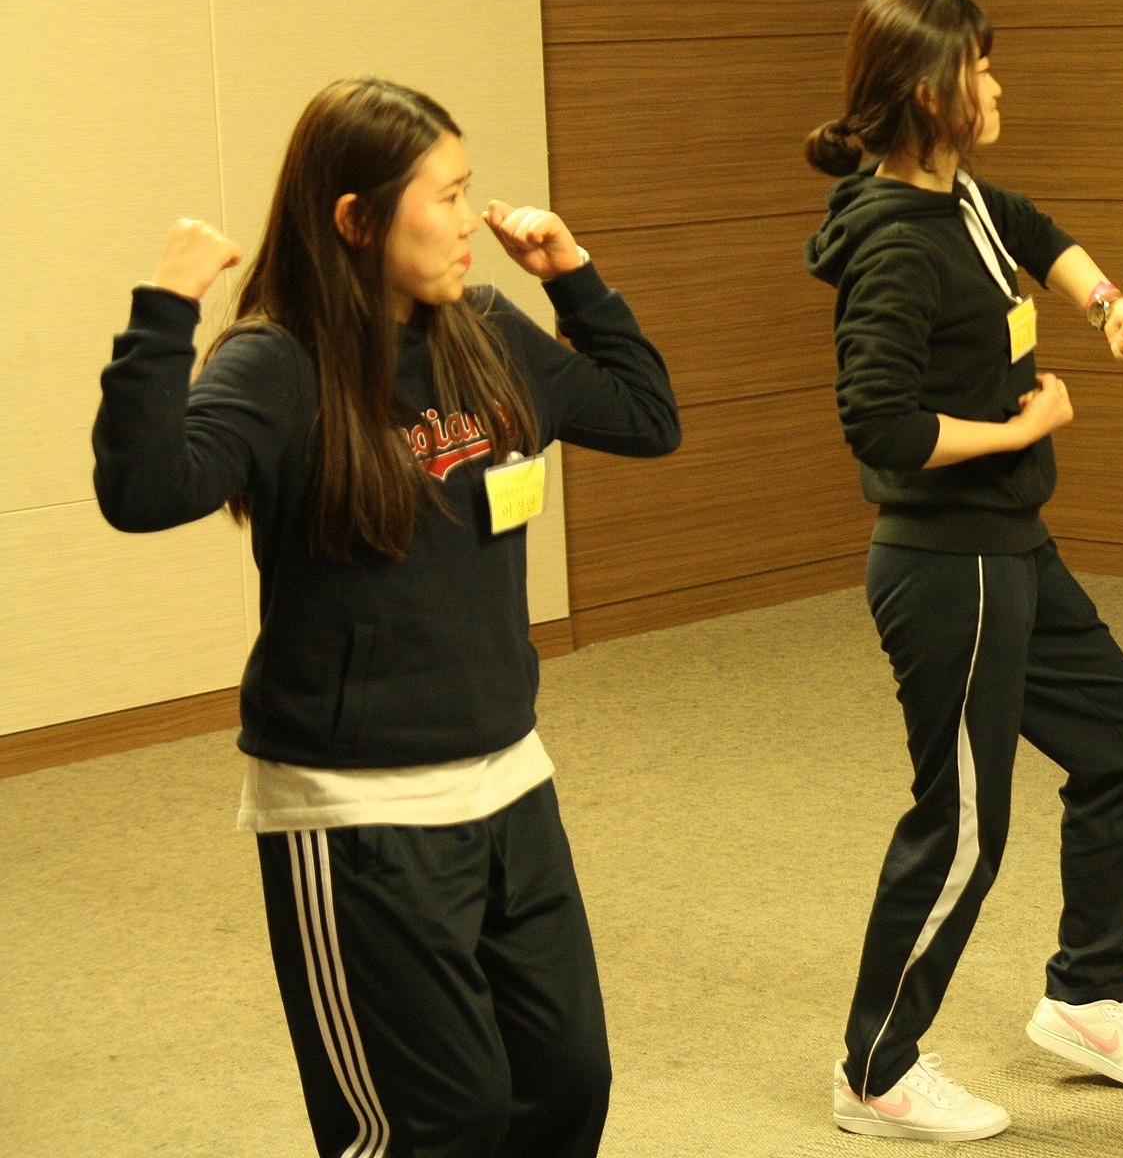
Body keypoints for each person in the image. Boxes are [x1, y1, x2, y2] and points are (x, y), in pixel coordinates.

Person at [92, 77, 681, 1157]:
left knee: (565, 1082)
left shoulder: (483, 330)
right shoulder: (279, 364)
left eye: (467, 191)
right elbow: (142, 490)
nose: (468, 222)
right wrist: (165, 310)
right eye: (443, 198)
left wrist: (575, 277)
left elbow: (648, 418)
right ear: (357, 221)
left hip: (508, 780)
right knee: (430, 1126)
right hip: (357, 811)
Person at [804, 0, 1123, 1143]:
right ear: (932, 93)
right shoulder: (894, 245)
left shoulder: (962, 198)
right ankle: (874, 1068)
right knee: (965, 826)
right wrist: (1023, 430)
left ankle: (1086, 997)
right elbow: (878, 425)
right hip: (947, 565)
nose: (999, 83)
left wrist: (1105, 304)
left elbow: (1038, 231)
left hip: (1013, 547)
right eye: (981, 68)